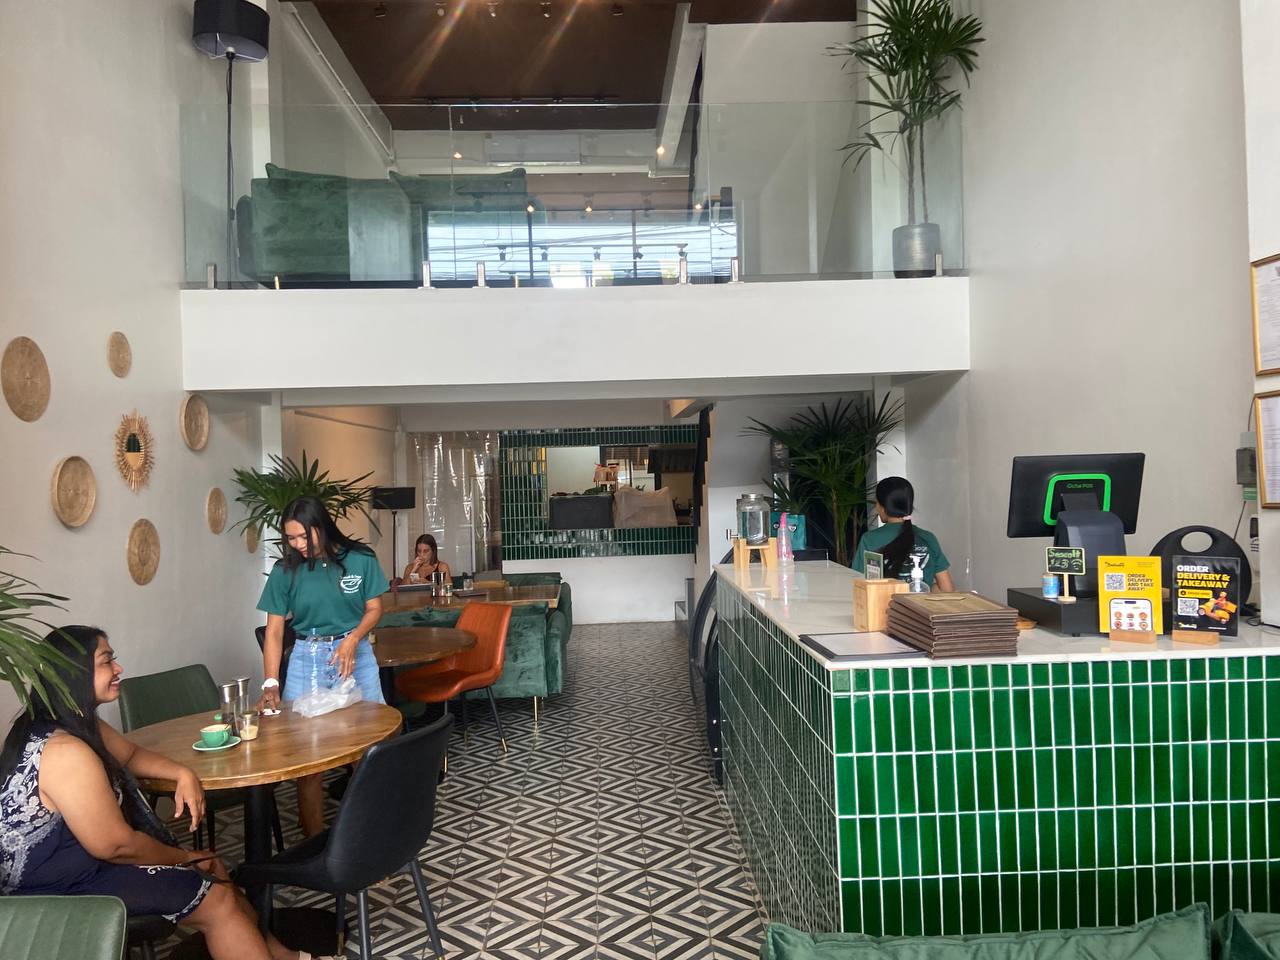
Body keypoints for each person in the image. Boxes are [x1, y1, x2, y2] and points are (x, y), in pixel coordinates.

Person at [0, 626, 338, 960]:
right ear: (74, 673)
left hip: (81, 868)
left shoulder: (67, 721)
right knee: (216, 895)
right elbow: (116, 846)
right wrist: (182, 857)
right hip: (53, 894)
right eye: (106, 661)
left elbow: (130, 755)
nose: (119, 668)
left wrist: (181, 772)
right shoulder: (65, 751)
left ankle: (282, 956)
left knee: (213, 868)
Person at [256, 496, 388, 836]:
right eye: (291, 538)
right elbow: (274, 631)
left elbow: (374, 609)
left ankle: (368, 837)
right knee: (308, 759)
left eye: (304, 536)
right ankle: (315, 844)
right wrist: (270, 682)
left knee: (367, 751)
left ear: (322, 527)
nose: (298, 544)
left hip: (355, 656)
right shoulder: (285, 571)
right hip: (306, 658)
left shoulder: (360, 559)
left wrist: (353, 638)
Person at [852, 476, 955, 592]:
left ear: (883, 507)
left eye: (876, 503)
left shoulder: (869, 539)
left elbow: (859, 587)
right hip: (919, 603)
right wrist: (929, 588)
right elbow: (947, 589)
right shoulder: (928, 538)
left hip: (883, 603)